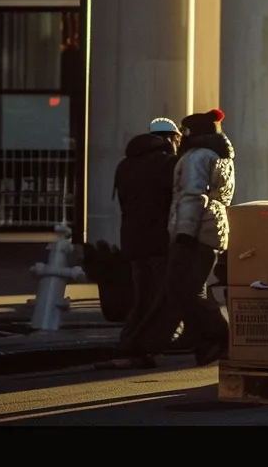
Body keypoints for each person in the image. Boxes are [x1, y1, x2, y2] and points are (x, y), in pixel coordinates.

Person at [123, 108, 236, 368]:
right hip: (211, 230)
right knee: (191, 289)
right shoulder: (220, 155)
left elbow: (193, 196)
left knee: (180, 290)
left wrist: (184, 232)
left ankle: (219, 338)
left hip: (194, 233)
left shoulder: (197, 157)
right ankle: (203, 340)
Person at [95, 118, 184, 370]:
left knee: (142, 297)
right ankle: (142, 347)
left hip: (133, 242)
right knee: (159, 297)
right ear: (169, 139)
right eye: (177, 139)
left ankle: (128, 342)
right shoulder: (167, 164)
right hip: (159, 241)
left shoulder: (125, 164)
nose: (178, 143)